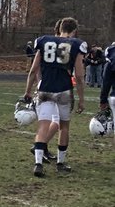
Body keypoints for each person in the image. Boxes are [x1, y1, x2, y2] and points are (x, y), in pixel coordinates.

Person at [23, 16, 87, 177]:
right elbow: (79, 75)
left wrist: (28, 91)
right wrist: (81, 99)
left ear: (60, 28)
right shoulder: (77, 44)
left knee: (43, 125)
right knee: (64, 126)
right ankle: (60, 162)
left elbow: (33, 70)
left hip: (45, 89)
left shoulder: (44, 41)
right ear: (74, 30)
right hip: (64, 90)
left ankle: (38, 163)